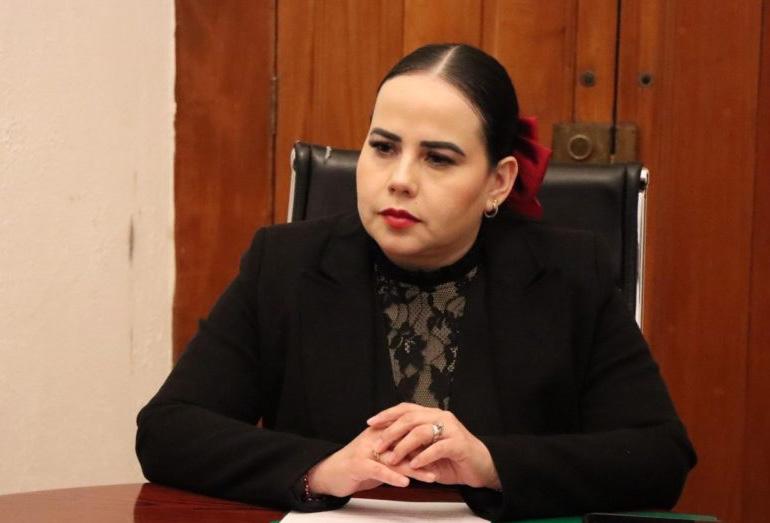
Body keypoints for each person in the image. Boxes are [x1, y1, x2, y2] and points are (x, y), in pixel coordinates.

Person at [136, 43, 696, 521]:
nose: (399, 180)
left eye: (439, 159)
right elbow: (168, 431)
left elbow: (658, 457)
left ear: (499, 181)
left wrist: (491, 464)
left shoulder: (570, 273)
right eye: (383, 148)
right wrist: (321, 470)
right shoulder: (285, 264)